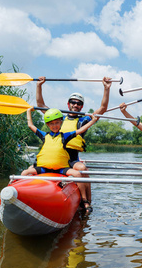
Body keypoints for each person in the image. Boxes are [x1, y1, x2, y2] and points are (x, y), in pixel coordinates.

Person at [36, 76, 112, 212]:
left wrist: (106, 88)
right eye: (73, 102)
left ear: (81, 106)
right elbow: (41, 105)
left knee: (83, 169)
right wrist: (39, 85)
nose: (75, 105)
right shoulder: (58, 118)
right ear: (68, 104)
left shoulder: (83, 120)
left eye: (78, 104)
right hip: (54, 156)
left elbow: (103, 108)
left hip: (71, 158)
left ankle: (86, 202)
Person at [21, 108, 98, 213]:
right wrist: (28, 111)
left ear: (61, 122)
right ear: (48, 125)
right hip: (44, 168)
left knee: (77, 174)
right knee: (25, 172)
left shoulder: (65, 136)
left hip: (61, 169)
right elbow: (31, 125)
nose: (54, 126)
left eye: (57, 123)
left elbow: (80, 130)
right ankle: (20, 193)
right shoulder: (44, 135)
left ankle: (84, 200)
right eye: (51, 124)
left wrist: (93, 121)